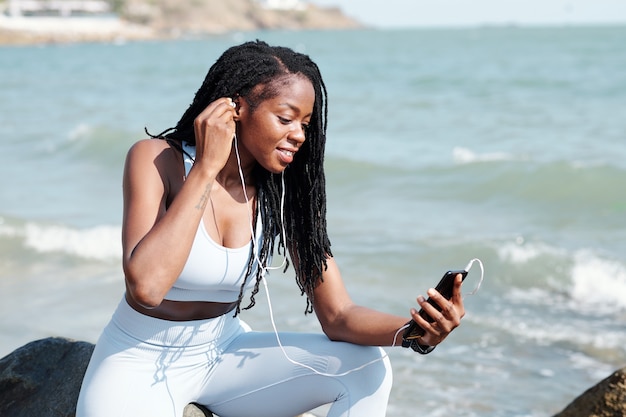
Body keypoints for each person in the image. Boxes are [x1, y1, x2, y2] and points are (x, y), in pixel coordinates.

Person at [76, 40, 466, 417]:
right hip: (139, 358)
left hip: (223, 352)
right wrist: (207, 168)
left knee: (366, 367)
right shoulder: (157, 160)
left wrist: (415, 332)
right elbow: (146, 287)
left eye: (306, 124)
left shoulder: (282, 189)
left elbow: (339, 315)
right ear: (236, 109)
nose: (299, 134)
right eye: (285, 118)